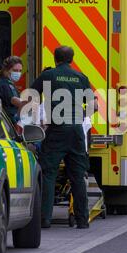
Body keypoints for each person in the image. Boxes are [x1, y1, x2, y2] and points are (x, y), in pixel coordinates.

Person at [31, 46, 94, 229]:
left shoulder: (48, 75)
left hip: (56, 130)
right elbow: (93, 107)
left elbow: (32, 98)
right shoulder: (81, 78)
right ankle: (83, 220)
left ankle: (45, 218)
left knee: (49, 173)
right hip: (76, 131)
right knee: (77, 176)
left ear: (55, 58)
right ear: (72, 59)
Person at [0, 56, 27, 124]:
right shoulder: (4, 84)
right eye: (15, 70)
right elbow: (15, 100)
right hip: (9, 123)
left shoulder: (9, 83)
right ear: (6, 70)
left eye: (20, 71)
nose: (18, 73)